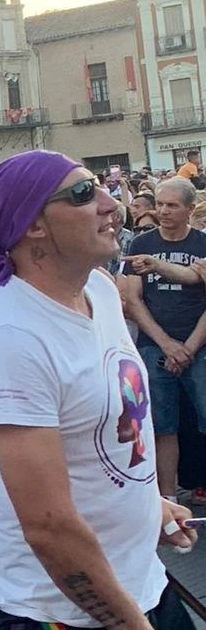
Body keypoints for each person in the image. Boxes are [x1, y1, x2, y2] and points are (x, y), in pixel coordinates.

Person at [0, 151, 196, 628]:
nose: (112, 203)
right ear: (32, 226)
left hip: (142, 586)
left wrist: (145, 504)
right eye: (85, 194)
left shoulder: (102, 292)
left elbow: (101, 428)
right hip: (55, 613)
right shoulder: (10, 338)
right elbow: (48, 527)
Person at [118, 177, 206, 501]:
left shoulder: (202, 243)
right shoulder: (140, 244)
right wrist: (166, 343)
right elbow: (133, 300)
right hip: (154, 345)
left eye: (172, 205)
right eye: (160, 203)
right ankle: (167, 498)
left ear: (189, 208)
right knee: (161, 425)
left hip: (200, 345)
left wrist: (190, 346)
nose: (163, 211)